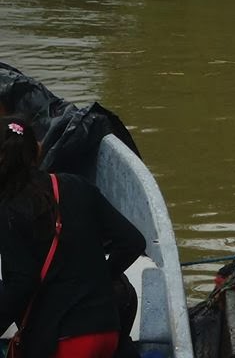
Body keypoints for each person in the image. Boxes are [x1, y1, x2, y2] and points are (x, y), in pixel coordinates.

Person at [0, 114, 146, 358]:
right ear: (37, 152)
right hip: (107, 331)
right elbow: (132, 242)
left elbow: (21, 284)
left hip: (63, 340)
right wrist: (98, 280)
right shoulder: (77, 185)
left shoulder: (8, 209)